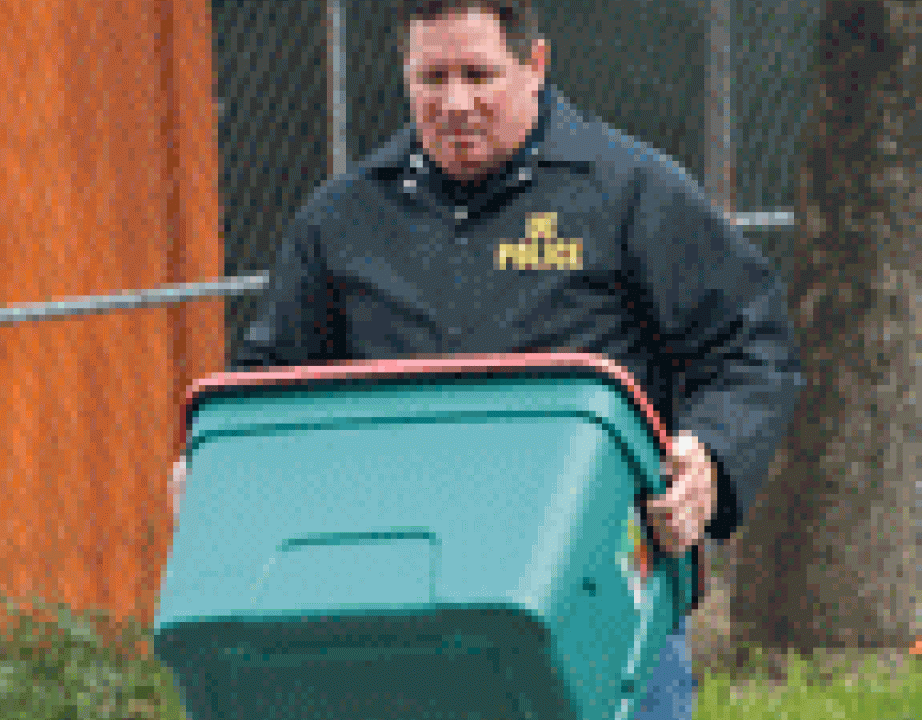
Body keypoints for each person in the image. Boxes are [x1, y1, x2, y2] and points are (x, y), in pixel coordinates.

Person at [172, 1, 804, 718]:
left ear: (535, 65)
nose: (454, 103)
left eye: (478, 75)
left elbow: (751, 343)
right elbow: (268, 386)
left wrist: (711, 458)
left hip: (605, 606)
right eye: (431, 78)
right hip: (410, 621)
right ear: (404, 73)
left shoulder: (628, 192)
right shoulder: (343, 221)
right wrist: (216, 463)